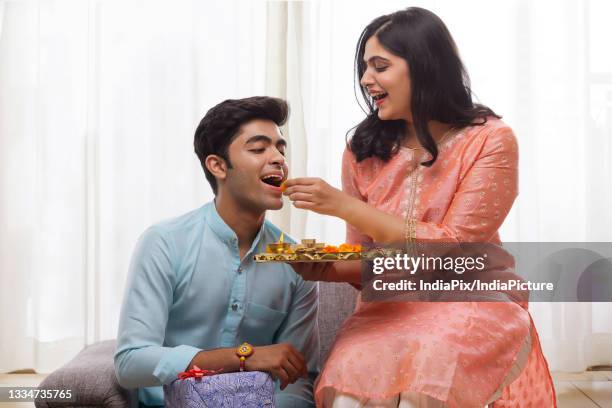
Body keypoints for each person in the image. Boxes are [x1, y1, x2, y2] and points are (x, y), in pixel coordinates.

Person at [283, 8, 556, 408]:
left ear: (425, 67)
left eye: (380, 66)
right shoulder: (362, 151)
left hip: (470, 301)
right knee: (347, 398)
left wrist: (343, 206)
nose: (365, 79)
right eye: (364, 67)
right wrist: (324, 266)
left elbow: (454, 247)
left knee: (421, 396)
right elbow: (368, 262)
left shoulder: (491, 140)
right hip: (389, 308)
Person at [114, 96, 319, 407]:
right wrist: (242, 358)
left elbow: (296, 382)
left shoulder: (299, 264)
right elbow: (130, 363)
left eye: (280, 148)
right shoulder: (163, 243)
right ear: (218, 165)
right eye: (259, 148)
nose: (278, 157)